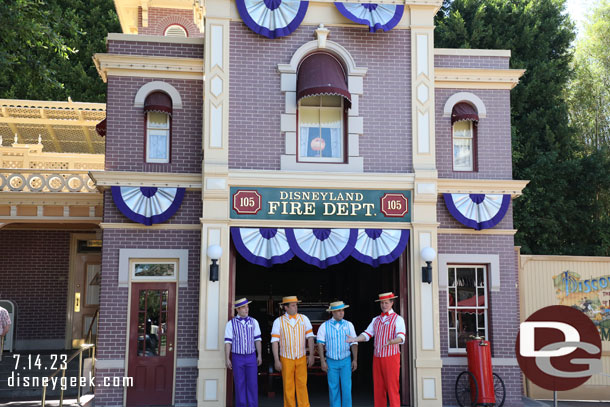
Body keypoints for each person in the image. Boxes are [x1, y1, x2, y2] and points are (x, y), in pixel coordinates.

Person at [346, 292, 406, 407]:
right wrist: (355, 339)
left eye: (386, 303)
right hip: (377, 358)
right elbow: (367, 334)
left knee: (392, 388)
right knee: (378, 388)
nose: (384, 305)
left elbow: (401, 337)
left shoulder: (398, 319)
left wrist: (392, 341)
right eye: (382, 303)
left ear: (392, 303)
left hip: (391, 357)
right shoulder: (376, 320)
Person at [271, 296, 315, 407]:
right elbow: (274, 341)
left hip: (301, 357)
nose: (296, 308)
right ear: (285, 307)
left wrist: (311, 355)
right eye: (293, 305)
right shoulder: (278, 321)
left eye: (296, 305)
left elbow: (310, 337)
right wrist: (276, 360)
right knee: (288, 386)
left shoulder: (304, 318)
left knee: (302, 385)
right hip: (286, 358)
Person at [317, 301, 358, 407]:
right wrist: (322, 361)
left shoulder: (349, 325)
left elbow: (354, 343)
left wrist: (355, 359)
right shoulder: (324, 326)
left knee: (347, 388)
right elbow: (320, 344)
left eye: (343, 310)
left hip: (346, 360)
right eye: (338, 311)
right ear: (333, 312)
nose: (341, 313)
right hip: (331, 361)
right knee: (333, 388)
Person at [224, 298, 262, 407]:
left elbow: (257, 339)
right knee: (239, 383)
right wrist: (227, 358)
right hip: (237, 357)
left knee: (252, 383)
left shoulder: (254, 322)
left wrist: (259, 355)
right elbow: (228, 342)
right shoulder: (230, 324)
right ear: (238, 309)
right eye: (244, 307)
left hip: (251, 356)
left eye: (247, 307)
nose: (247, 309)